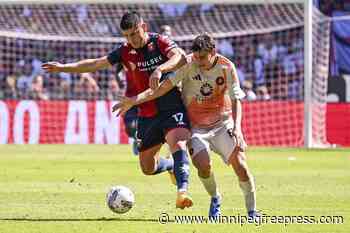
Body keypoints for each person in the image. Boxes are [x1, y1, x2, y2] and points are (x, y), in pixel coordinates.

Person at [42, 11, 193, 209]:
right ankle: (171, 166)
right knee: (147, 168)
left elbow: (180, 58)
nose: (132, 39)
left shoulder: (159, 42)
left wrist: (160, 69)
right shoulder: (124, 51)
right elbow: (96, 63)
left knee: (178, 144)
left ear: (144, 27)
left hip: (172, 106)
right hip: (147, 112)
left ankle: (182, 193)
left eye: (135, 33)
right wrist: (64, 67)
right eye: (127, 36)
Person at [113, 33, 258, 218]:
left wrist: (237, 128)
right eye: (195, 57)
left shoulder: (226, 67)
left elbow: (237, 99)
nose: (198, 61)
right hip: (196, 128)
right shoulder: (188, 64)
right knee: (203, 166)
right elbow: (161, 88)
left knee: (241, 166)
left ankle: (252, 212)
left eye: (202, 57)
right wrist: (134, 100)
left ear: (213, 52)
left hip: (223, 124)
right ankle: (215, 199)